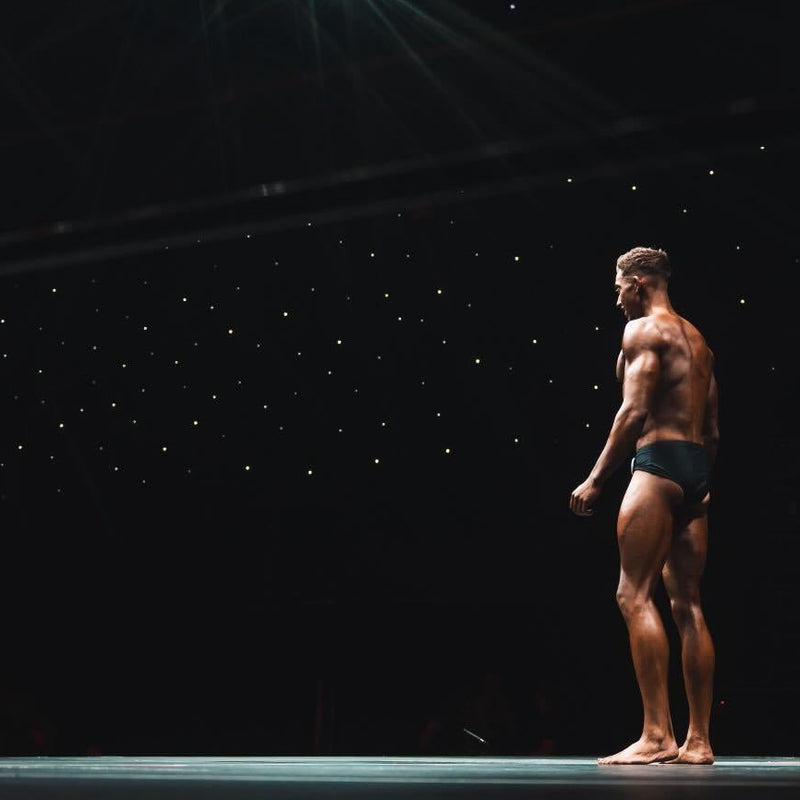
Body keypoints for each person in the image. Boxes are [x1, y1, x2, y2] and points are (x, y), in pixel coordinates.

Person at [569, 247, 719, 765]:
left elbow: (633, 410)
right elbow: (713, 429)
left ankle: (657, 735)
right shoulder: (699, 342)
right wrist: (698, 483)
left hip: (657, 463)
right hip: (695, 468)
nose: (616, 301)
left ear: (637, 283)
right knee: (688, 604)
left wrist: (595, 479)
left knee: (632, 594)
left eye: (618, 289)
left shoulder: (642, 331)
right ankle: (699, 741)